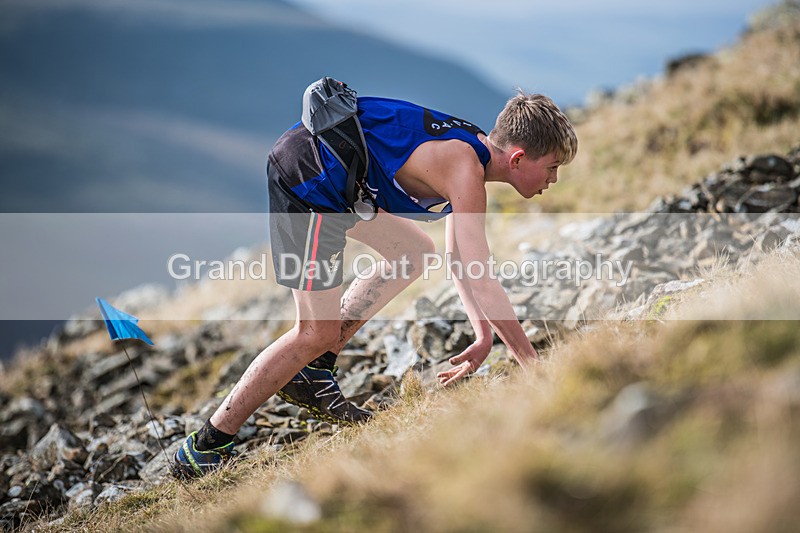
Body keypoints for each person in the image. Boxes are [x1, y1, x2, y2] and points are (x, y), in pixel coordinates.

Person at [173, 89, 577, 478]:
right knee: (314, 332)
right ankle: (205, 446)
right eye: (553, 167)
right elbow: (482, 276)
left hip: (334, 179)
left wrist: (483, 335)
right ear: (520, 158)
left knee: (414, 253)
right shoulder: (464, 167)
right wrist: (532, 364)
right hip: (309, 180)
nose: (554, 179)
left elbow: (461, 261)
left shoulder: (470, 153)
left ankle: (315, 371)